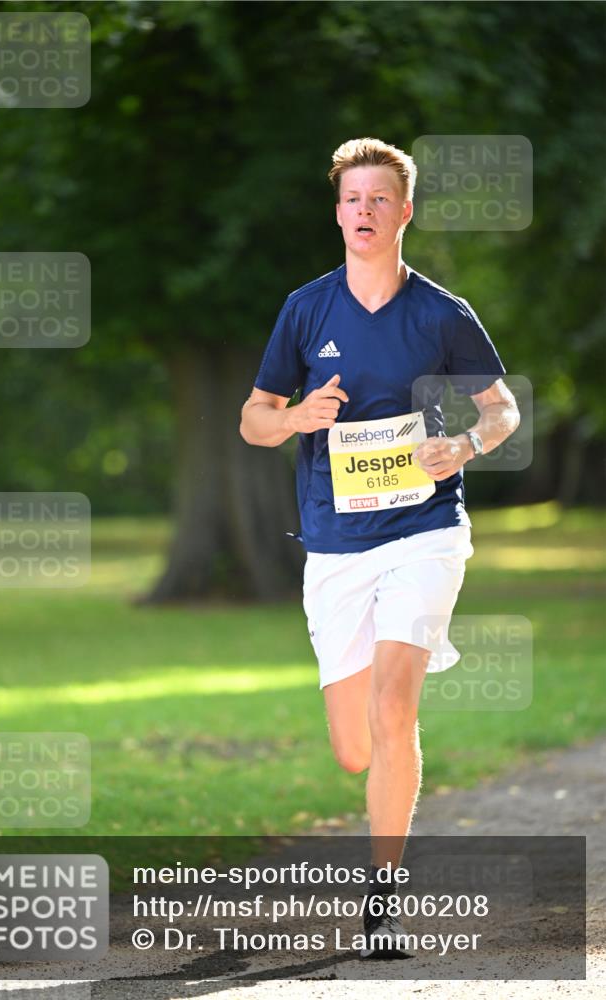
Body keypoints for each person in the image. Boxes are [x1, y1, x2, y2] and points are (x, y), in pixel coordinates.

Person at [239, 137, 520, 959]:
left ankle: (383, 899)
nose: (363, 211)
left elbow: (500, 409)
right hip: (333, 543)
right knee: (353, 746)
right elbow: (253, 419)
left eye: (377, 199)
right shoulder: (305, 309)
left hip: (425, 531)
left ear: (403, 212)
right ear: (337, 214)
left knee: (395, 709)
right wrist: (294, 417)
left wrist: (463, 446)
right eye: (350, 199)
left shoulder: (442, 312)